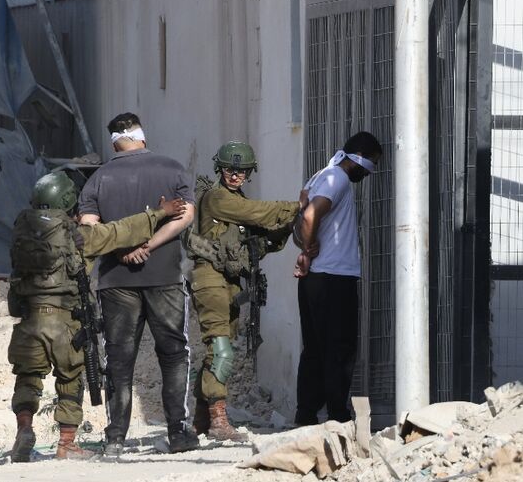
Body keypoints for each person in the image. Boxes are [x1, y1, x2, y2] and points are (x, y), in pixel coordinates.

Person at [8, 171, 186, 462]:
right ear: (67, 201)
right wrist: (160, 212)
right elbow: (122, 231)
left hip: (28, 321)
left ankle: (24, 428)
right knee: (70, 380)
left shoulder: (21, 233)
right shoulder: (77, 237)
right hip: (64, 322)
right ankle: (66, 444)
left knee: (27, 379)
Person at [78, 113, 199, 455]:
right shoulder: (172, 169)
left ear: (114, 141)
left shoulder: (97, 179)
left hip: (115, 281)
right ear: (142, 136)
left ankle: (115, 438)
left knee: (118, 358)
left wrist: (124, 249)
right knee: (174, 354)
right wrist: (149, 246)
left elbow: (88, 229)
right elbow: (186, 215)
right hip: (165, 277)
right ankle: (178, 432)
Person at [188, 141, 300, 441]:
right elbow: (257, 213)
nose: (235, 176)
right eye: (229, 169)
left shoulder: (237, 203)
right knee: (220, 351)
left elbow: (262, 239)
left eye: (241, 171)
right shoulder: (218, 198)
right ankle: (219, 422)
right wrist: (297, 207)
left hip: (230, 282)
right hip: (210, 278)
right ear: (219, 169)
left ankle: (202, 419)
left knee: (218, 351)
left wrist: (286, 226)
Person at [293, 131, 382, 425]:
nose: (371, 173)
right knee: (339, 349)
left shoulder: (320, 175)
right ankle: (338, 416)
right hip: (333, 279)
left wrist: (306, 251)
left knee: (316, 349)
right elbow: (309, 217)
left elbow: (302, 210)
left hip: (316, 279)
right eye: (372, 164)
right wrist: (307, 250)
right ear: (360, 159)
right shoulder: (338, 178)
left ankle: (306, 415)